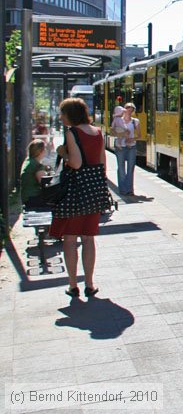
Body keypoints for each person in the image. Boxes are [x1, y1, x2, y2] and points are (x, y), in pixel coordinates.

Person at [50, 97, 107, 298]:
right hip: (93, 191)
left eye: (62, 113)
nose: (61, 116)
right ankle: (90, 284)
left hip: (75, 192)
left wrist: (62, 152)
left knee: (70, 239)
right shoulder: (98, 132)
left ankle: (73, 285)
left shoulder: (72, 133)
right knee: (88, 238)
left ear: (70, 114)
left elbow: (75, 163)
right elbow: (102, 162)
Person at [112, 102, 140, 196]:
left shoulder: (135, 121)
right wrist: (122, 134)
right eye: (128, 108)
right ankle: (123, 190)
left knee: (131, 167)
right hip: (120, 147)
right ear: (124, 110)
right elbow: (112, 132)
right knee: (121, 168)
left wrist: (132, 138)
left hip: (131, 146)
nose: (129, 111)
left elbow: (139, 135)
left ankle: (129, 189)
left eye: (131, 109)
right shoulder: (118, 120)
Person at [19, 139, 49, 210]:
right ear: (41, 151)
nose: (46, 151)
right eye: (45, 149)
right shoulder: (37, 165)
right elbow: (45, 183)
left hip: (26, 198)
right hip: (33, 198)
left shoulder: (28, 161)